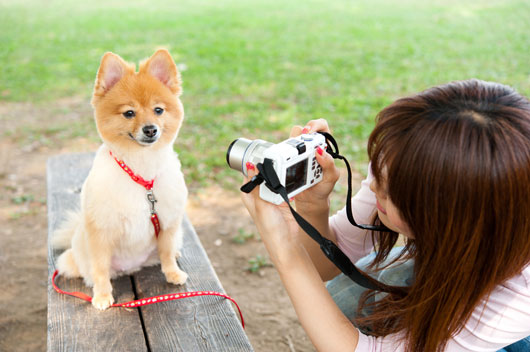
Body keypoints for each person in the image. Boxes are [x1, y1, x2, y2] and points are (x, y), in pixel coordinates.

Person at [240, 79, 530, 351]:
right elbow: (329, 264)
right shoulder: (409, 164)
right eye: (377, 169)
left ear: (453, 220)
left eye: (391, 192)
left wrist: (285, 250)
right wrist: (314, 203)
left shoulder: (517, 294)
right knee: (349, 301)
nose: (374, 186)